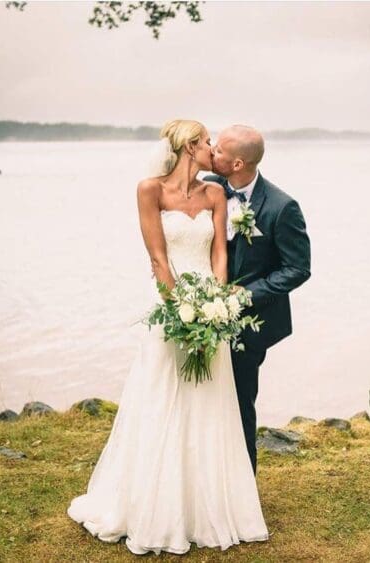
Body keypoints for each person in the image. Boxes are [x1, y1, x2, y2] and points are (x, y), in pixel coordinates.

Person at [67, 119, 269, 556]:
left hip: (210, 310)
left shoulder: (215, 193)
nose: (212, 148)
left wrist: (214, 307)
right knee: (161, 397)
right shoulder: (149, 191)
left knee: (209, 404)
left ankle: (208, 508)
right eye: (206, 142)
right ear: (187, 147)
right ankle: (154, 505)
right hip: (170, 308)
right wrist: (182, 312)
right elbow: (158, 258)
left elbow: (219, 252)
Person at [204, 125, 311, 474]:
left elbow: (297, 268)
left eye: (218, 150)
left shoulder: (282, 207)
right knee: (200, 397)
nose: (211, 153)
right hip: (201, 312)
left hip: (250, 323)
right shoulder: (208, 186)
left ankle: (242, 486)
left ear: (237, 164)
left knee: (238, 402)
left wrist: (246, 295)